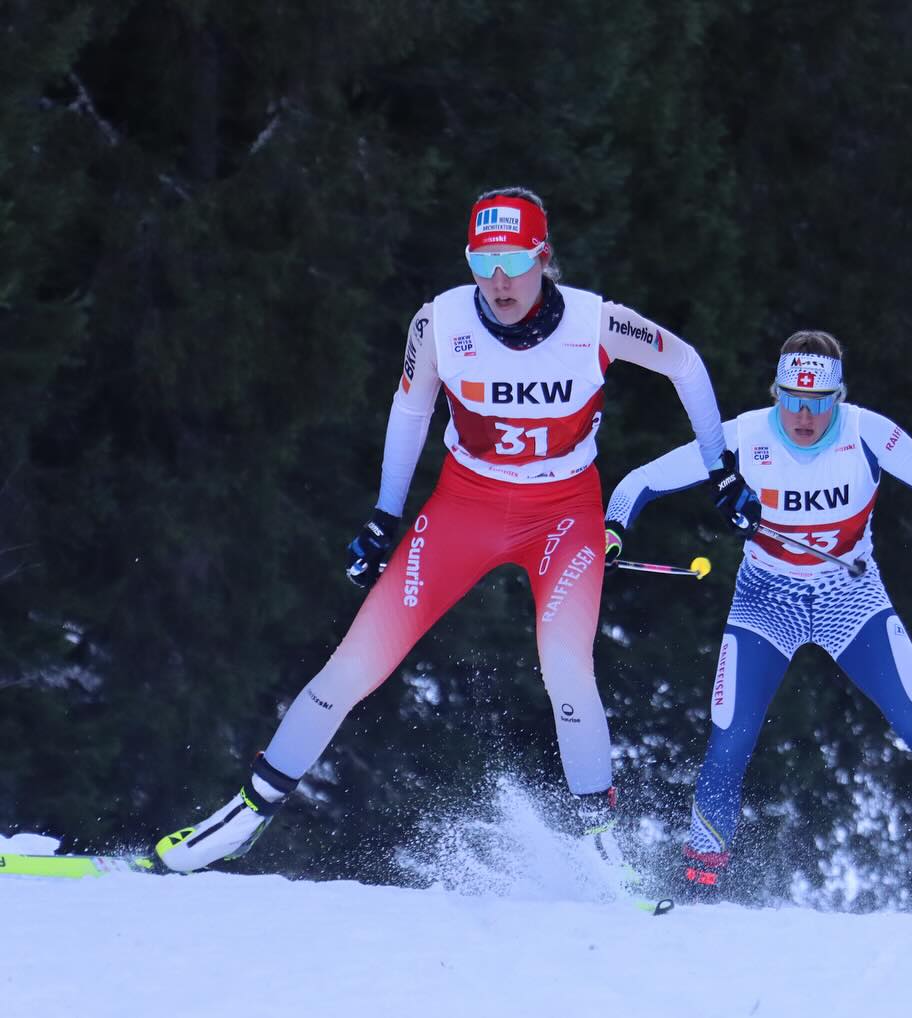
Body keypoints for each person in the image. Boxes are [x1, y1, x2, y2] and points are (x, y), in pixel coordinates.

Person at [155, 186, 759, 873]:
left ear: (543, 258)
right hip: (464, 510)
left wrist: (722, 471)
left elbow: (684, 363)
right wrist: (385, 517)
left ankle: (600, 848)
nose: (498, 280)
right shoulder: (438, 324)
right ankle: (244, 815)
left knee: (567, 668)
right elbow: (410, 414)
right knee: (355, 663)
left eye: (513, 259)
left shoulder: (596, 323)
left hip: (564, 516)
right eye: (482, 259)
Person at [603, 329, 912, 900]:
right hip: (767, 600)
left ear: (839, 398)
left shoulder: (867, 432)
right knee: (730, 737)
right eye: (791, 399)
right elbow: (639, 482)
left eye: (818, 403)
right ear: (777, 393)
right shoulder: (743, 436)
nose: (804, 415)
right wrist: (614, 530)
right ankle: (701, 878)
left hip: (850, 598)